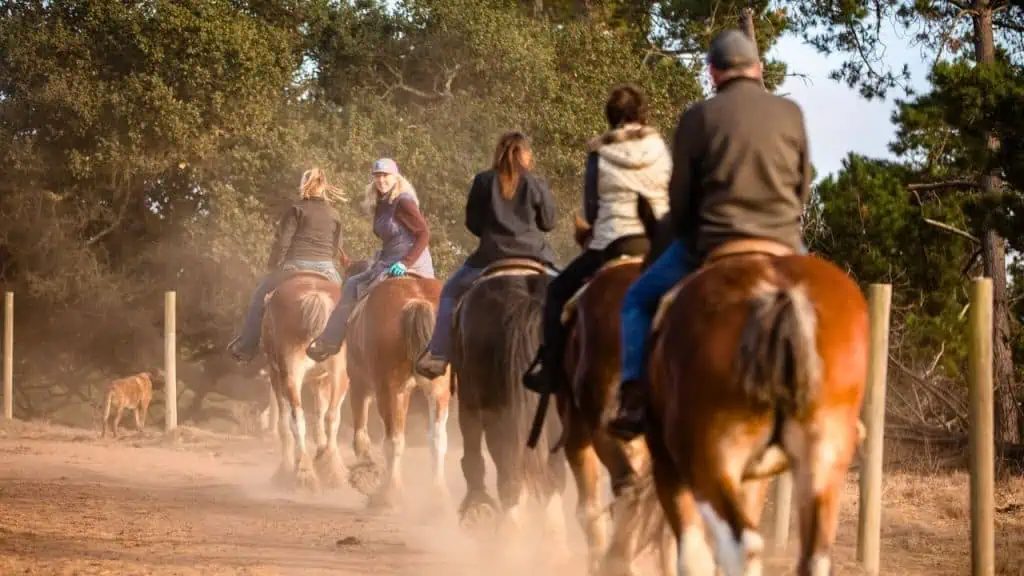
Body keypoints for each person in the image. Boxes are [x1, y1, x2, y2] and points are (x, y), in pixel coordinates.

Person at [607, 29, 813, 440]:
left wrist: (682, 232)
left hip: (715, 242)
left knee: (636, 300)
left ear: (712, 73)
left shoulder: (698, 117)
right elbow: (803, 187)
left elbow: (680, 200)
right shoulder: (791, 112)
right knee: (821, 305)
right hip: (784, 242)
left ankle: (633, 399)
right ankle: (839, 409)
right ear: (757, 68)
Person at [521, 84, 672, 394]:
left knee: (557, 294)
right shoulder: (661, 148)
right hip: (658, 247)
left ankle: (550, 370)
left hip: (614, 244)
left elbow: (591, 209)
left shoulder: (600, 154)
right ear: (643, 115)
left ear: (611, 117)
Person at [413, 132, 559, 379]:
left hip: (490, 258)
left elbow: (472, 223)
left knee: (449, 292)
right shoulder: (536, 183)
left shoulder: (483, 181)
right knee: (569, 294)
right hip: (535, 257)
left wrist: (493, 232)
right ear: (525, 155)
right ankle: (564, 354)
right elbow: (549, 223)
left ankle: (438, 354)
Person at [305, 158, 434, 362]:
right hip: (389, 258)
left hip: (410, 260)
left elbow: (425, 234)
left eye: (386, 175)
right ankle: (332, 340)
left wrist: (405, 263)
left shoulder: (404, 201)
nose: (381, 180)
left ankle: (330, 340)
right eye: (378, 176)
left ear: (396, 177)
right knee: (353, 282)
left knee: (353, 285)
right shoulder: (382, 203)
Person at [227, 167, 345, 362]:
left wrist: (273, 264)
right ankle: (348, 349)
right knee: (348, 303)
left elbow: (283, 242)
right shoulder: (334, 214)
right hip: (326, 266)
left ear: (303, 186)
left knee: (259, 295)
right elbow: (337, 246)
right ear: (324, 187)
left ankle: (246, 346)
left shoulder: (296, 209)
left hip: (295, 264)